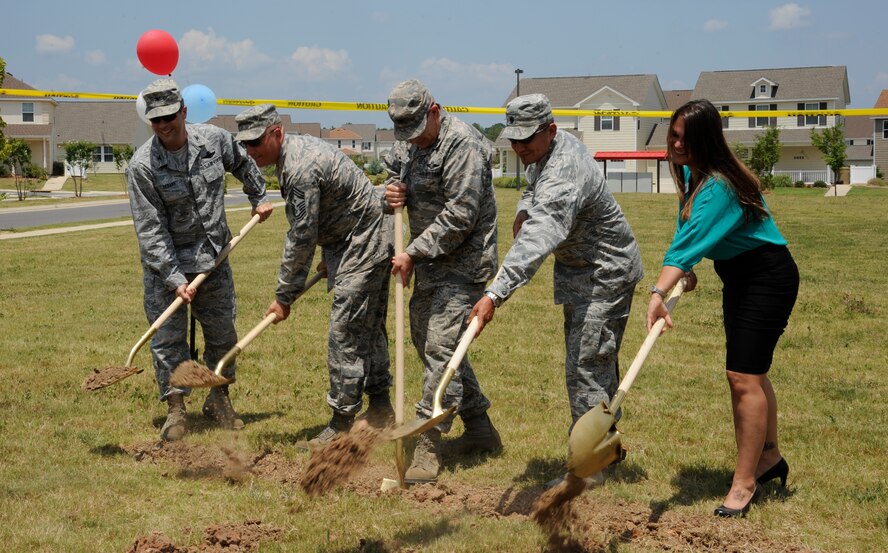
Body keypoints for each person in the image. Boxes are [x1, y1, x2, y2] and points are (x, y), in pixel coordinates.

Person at [469, 94, 644, 486]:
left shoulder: (565, 168)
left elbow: (537, 239)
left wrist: (494, 294)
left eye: (526, 139)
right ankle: (603, 452)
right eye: (513, 140)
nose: (519, 148)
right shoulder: (545, 153)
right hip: (584, 274)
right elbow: (533, 190)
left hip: (604, 275)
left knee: (586, 367)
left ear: (550, 129)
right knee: (594, 363)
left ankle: (590, 469)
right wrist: (521, 209)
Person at [647, 99, 798, 517]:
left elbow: (687, 242)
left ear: (705, 141)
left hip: (767, 278)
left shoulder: (720, 185)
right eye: (673, 134)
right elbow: (692, 230)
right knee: (751, 374)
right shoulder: (689, 171)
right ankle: (769, 459)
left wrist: (659, 292)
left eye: (685, 138)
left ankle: (745, 481)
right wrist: (687, 270)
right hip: (740, 275)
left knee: (741, 377)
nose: (676, 144)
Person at [234, 104, 395, 446]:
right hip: (352, 239)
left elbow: (302, 236)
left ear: (276, 133)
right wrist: (330, 256)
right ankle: (381, 407)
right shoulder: (292, 153)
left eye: (255, 143)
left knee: (346, 330)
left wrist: (284, 296)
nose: (250, 152)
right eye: (245, 145)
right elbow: (331, 208)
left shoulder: (299, 167)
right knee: (367, 326)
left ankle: (342, 420)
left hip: (364, 240)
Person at [127, 78, 273, 441]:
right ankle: (176, 409)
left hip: (214, 258)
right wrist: (175, 278)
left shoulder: (214, 141)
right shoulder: (143, 166)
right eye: (156, 120)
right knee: (167, 341)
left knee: (223, 334)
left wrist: (259, 196)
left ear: (183, 112)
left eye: (169, 117)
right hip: (168, 267)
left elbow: (243, 162)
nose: (164, 125)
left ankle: (218, 397)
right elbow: (151, 230)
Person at [383, 80, 501, 483]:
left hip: (464, 262)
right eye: (405, 133)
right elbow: (395, 180)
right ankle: (480, 427)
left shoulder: (462, 145)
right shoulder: (408, 143)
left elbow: (461, 215)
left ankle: (428, 443)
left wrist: (413, 251)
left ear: (435, 111)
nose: (412, 141)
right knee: (433, 343)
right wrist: (393, 194)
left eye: (417, 130)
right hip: (429, 261)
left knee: (440, 344)